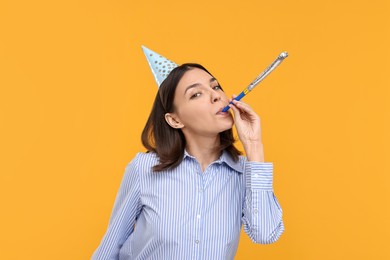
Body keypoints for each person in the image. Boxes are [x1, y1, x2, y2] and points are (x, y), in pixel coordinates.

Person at [92, 63, 284, 260]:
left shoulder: (245, 172)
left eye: (215, 86)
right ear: (175, 120)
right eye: (196, 94)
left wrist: (254, 145)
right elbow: (110, 248)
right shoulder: (144, 169)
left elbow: (265, 233)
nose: (216, 95)